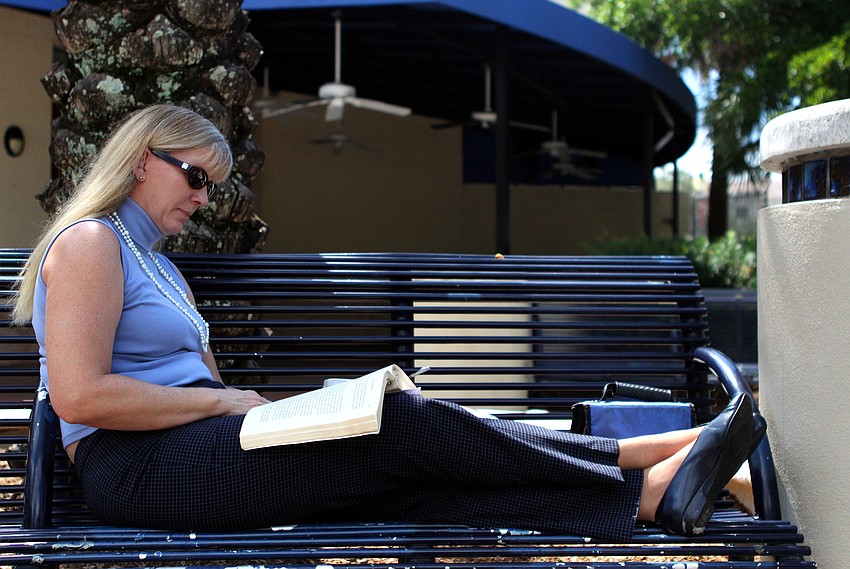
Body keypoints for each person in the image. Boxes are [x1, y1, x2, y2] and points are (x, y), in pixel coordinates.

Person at [12, 104, 762, 541]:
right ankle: (648, 449)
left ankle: (647, 498)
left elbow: (207, 395)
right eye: (197, 176)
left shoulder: (162, 268)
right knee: (399, 423)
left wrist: (273, 413)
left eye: (215, 184)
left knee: (403, 476)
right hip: (136, 468)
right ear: (143, 159)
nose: (206, 197)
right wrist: (222, 400)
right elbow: (79, 398)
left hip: (197, 451)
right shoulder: (90, 244)